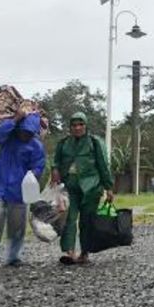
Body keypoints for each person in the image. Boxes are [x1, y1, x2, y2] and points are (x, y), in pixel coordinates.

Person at [0, 109, 46, 266]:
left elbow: (39, 165)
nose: (26, 135)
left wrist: (33, 173)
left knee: (17, 226)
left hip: (19, 192)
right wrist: (16, 119)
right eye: (24, 131)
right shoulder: (7, 138)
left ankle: (13, 257)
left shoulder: (36, 146)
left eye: (30, 133)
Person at [51, 112, 113, 265]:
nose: (77, 128)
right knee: (68, 219)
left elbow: (103, 166)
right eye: (74, 125)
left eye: (81, 124)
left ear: (86, 126)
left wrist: (109, 187)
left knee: (87, 221)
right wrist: (54, 169)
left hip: (91, 188)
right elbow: (56, 160)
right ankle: (69, 252)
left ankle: (85, 253)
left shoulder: (95, 142)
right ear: (70, 127)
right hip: (70, 187)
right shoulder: (64, 143)